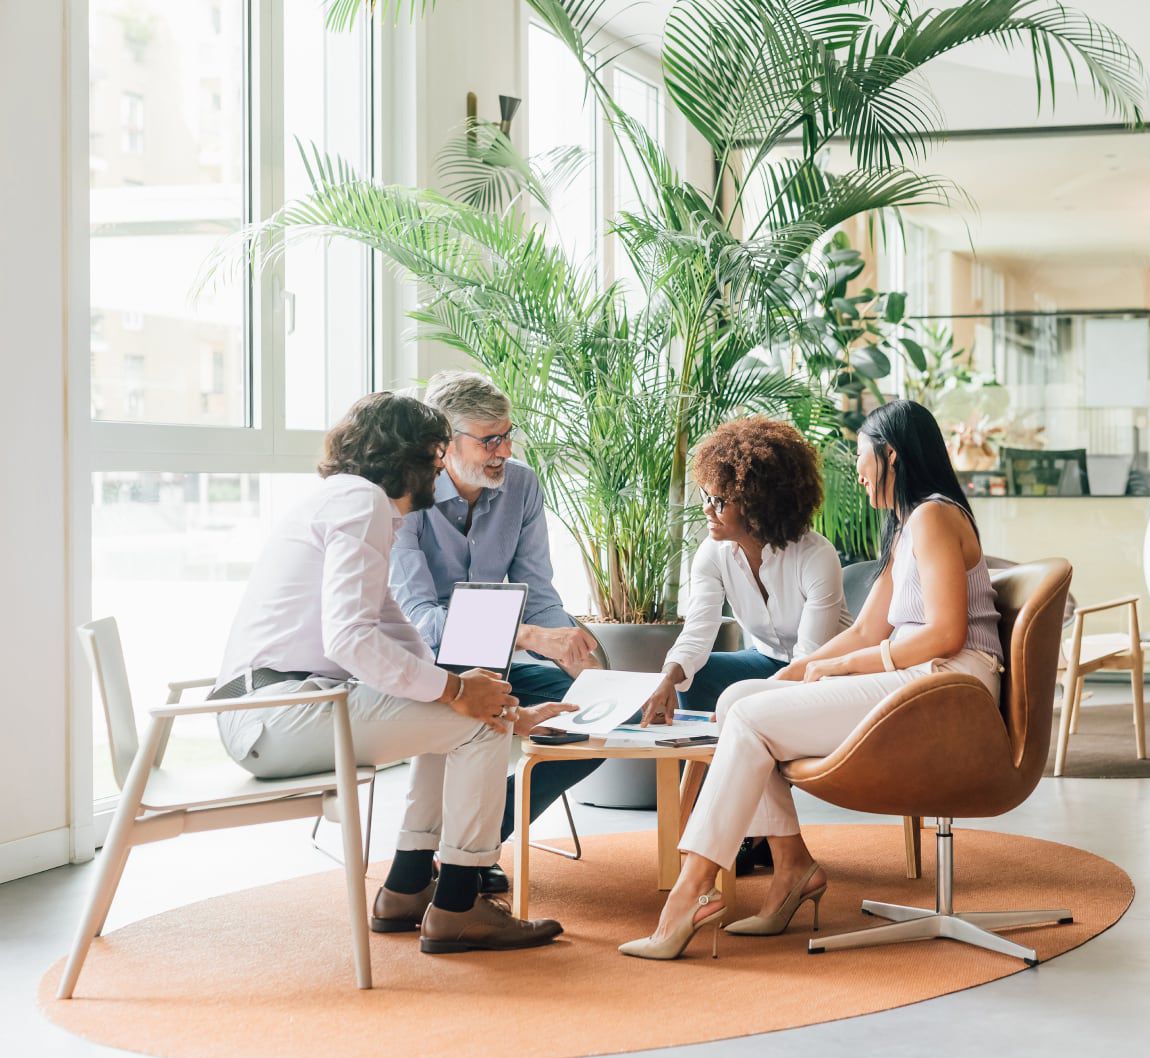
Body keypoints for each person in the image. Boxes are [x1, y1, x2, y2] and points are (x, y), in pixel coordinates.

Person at [619, 399, 1003, 960]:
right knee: (736, 702)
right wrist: (801, 672)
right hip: (918, 677)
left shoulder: (936, 515)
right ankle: (793, 867)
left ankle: (687, 898)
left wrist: (838, 665)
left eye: (863, 457)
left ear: (890, 455)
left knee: (748, 716)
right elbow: (870, 627)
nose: (861, 471)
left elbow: (945, 632)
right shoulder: (910, 526)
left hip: (948, 685)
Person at [213, 392, 571, 954]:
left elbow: (394, 629)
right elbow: (350, 639)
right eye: (435, 452)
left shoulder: (348, 501)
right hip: (277, 714)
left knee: (460, 715)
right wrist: (461, 694)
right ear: (411, 455)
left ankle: (406, 888)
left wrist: (492, 702)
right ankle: (458, 905)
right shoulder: (362, 504)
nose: (440, 465)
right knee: (474, 724)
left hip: (272, 709)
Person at [390, 371, 603, 891]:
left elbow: (540, 592)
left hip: (502, 663)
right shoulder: (406, 495)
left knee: (600, 718)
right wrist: (528, 637)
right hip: (432, 670)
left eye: (506, 435)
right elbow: (421, 621)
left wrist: (576, 656)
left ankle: (477, 840)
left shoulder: (522, 485)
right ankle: (466, 858)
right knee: (486, 715)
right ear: (443, 443)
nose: (503, 450)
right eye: (489, 439)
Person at [639, 416, 849, 725]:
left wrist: (743, 704)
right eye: (705, 496)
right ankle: (699, 766)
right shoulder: (712, 554)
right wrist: (668, 677)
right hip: (767, 660)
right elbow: (697, 634)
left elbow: (807, 660)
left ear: (757, 503)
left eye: (719, 501)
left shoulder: (815, 556)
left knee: (743, 700)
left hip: (827, 673)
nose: (707, 509)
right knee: (695, 675)